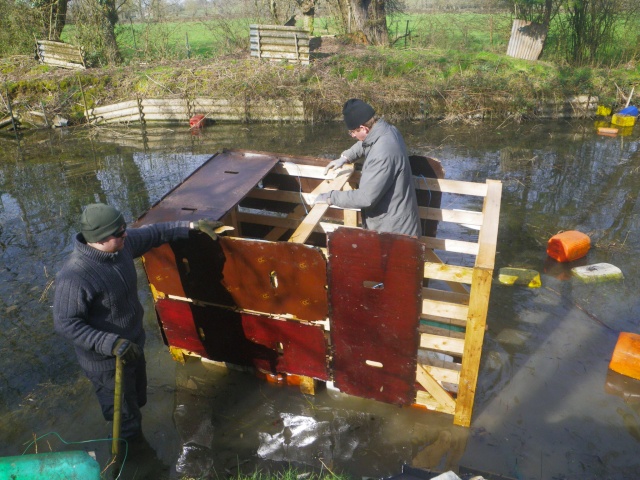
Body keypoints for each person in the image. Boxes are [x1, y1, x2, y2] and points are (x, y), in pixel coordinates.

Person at [53, 203, 221, 442]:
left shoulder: (120, 247)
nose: (126, 235)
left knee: (138, 400)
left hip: (133, 347)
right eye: (119, 233)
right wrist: (111, 343)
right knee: (125, 422)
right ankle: (134, 461)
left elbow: (155, 233)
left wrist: (191, 226)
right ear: (100, 238)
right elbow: (66, 323)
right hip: (108, 364)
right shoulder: (75, 275)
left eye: (124, 229)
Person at [315, 98, 421, 237]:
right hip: (394, 222)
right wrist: (345, 157)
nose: (352, 135)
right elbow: (365, 143)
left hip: (394, 232)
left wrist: (330, 197)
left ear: (364, 128)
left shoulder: (382, 153)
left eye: (353, 132)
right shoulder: (387, 131)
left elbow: (365, 198)